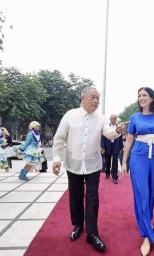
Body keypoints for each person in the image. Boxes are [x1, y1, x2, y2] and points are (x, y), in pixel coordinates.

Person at [52, 86, 125, 252]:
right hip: (73, 163)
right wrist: (56, 158)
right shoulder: (70, 115)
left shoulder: (100, 117)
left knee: (93, 198)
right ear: (82, 98)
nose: (96, 101)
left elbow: (108, 133)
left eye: (98, 98)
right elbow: (59, 137)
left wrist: (117, 130)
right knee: (75, 196)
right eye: (93, 97)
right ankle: (78, 225)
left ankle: (92, 233)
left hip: (93, 164)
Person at [121, 87, 154, 256]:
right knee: (142, 193)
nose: (141, 98)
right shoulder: (134, 118)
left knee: (152, 193)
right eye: (139, 95)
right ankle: (146, 235)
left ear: (152, 98)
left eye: (144, 95)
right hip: (139, 156)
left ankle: (147, 221)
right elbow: (129, 142)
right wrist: (124, 162)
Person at [101, 114, 124, 184]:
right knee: (108, 162)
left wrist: (121, 147)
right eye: (112, 118)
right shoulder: (106, 127)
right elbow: (103, 137)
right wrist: (103, 147)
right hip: (108, 146)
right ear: (110, 119)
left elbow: (121, 137)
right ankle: (107, 172)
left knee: (115, 162)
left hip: (116, 146)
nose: (114, 120)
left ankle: (115, 177)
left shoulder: (119, 126)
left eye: (115, 118)